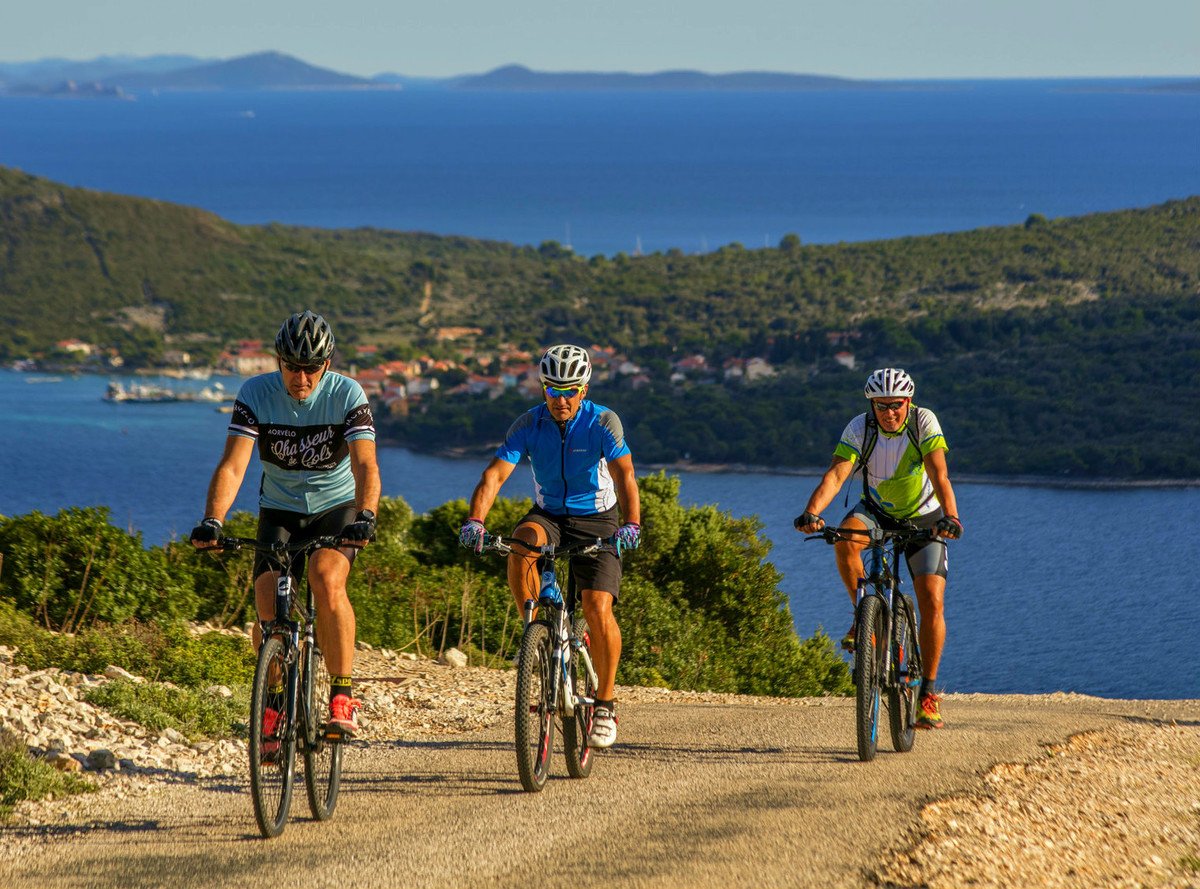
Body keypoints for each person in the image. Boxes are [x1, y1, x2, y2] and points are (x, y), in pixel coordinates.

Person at [191, 310, 380, 738]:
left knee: (325, 576)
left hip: (336, 506)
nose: (301, 377)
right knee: (266, 604)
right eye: (292, 366)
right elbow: (234, 464)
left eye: (311, 368)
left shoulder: (347, 393)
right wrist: (212, 520)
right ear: (279, 362)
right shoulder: (255, 393)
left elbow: (365, 463)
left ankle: (342, 696)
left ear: (326, 365)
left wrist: (366, 515)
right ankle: (274, 705)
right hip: (278, 508)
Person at [459, 344, 641, 748]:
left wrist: (631, 523)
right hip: (549, 515)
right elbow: (493, 476)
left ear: (584, 389)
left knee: (596, 607)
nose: (561, 400)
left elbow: (625, 474)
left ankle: (606, 703)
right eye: (553, 390)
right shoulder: (528, 424)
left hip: (598, 518)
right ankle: (534, 630)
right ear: (543, 389)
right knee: (522, 541)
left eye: (570, 391)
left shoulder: (603, 422)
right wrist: (476, 520)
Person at [794, 367, 962, 730]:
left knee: (931, 599)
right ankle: (863, 618)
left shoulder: (923, 423)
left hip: (924, 518)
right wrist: (812, 511)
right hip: (876, 512)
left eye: (896, 405)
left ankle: (928, 694)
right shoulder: (859, 428)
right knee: (844, 541)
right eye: (881, 406)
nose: (889, 413)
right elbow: (837, 474)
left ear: (908, 402)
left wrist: (951, 517)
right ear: (872, 405)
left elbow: (940, 475)